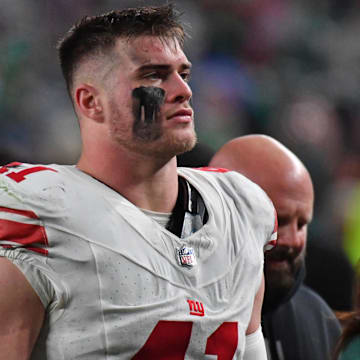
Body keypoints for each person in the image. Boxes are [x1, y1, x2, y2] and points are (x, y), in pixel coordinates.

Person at [0, 5, 278, 359]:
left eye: (184, 74)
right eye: (154, 76)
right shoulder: (34, 216)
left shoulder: (239, 208)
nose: (183, 90)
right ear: (91, 102)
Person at [209, 134, 342, 360]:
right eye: (278, 220)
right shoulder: (175, 312)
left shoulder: (317, 319)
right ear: (220, 211)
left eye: (302, 223)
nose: (293, 240)